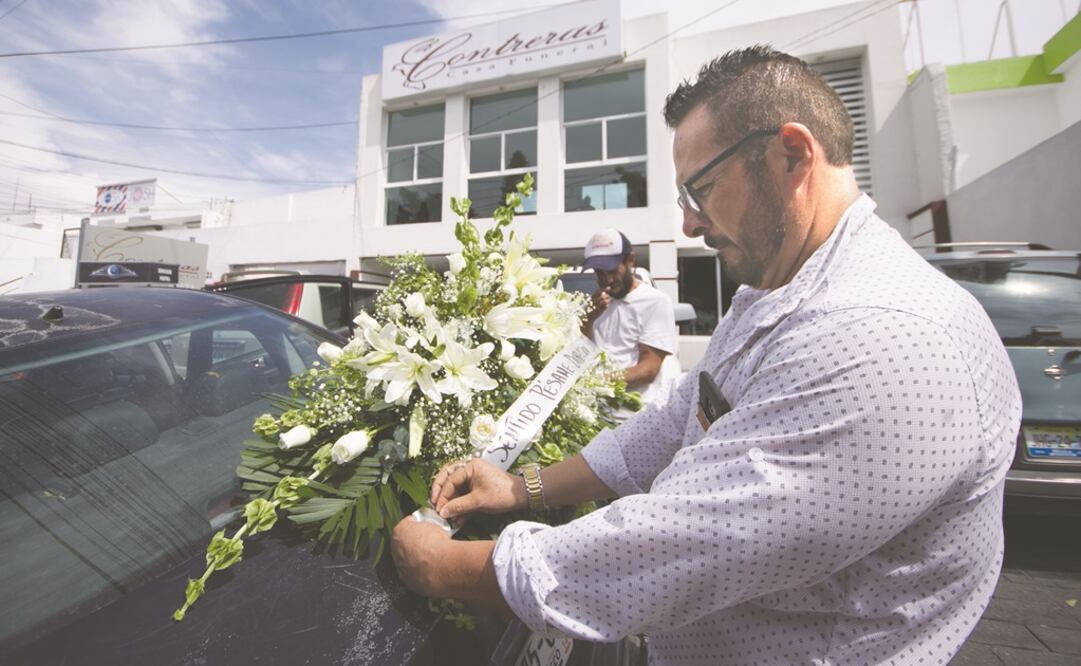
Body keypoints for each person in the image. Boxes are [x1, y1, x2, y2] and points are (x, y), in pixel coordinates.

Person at [392, 45, 1021, 665]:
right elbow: (678, 423)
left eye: (702, 188)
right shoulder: (773, 292)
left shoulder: (876, 338)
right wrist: (524, 487)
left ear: (792, 155)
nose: (690, 224)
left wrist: (443, 563)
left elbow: (678, 549)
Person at [580, 228, 678, 406]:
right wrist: (589, 317)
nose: (606, 279)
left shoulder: (655, 302)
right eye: (599, 272)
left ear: (630, 260)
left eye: (611, 270)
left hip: (632, 414)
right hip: (593, 410)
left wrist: (596, 382)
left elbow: (649, 369)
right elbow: (579, 351)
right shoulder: (594, 304)